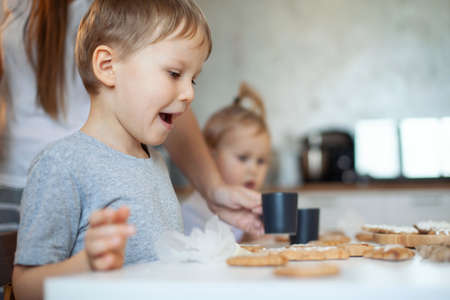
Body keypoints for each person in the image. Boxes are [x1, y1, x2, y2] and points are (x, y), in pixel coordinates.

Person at [10, 1, 258, 300]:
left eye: (193, 79)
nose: (190, 93)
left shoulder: (154, 163)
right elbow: (23, 288)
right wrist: (85, 264)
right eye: (174, 73)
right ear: (107, 66)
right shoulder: (60, 165)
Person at [182, 82, 274, 243]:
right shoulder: (193, 212)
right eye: (243, 158)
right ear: (211, 157)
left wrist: (254, 236)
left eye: (261, 161)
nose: (253, 169)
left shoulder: (254, 211)